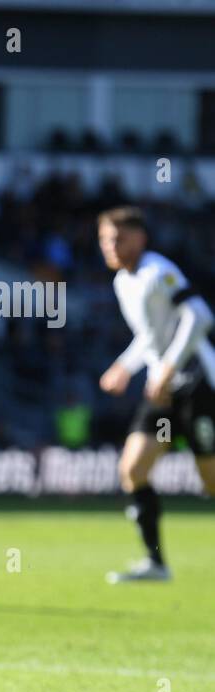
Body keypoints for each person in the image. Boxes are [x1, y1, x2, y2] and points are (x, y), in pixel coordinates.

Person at [96, 206, 215, 582]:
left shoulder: (156, 271)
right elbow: (150, 335)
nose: (112, 246)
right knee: (133, 469)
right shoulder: (123, 282)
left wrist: (167, 367)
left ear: (140, 238)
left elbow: (199, 316)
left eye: (120, 238)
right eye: (105, 239)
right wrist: (125, 366)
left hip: (197, 383)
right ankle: (156, 562)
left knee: (211, 481)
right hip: (162, 391)